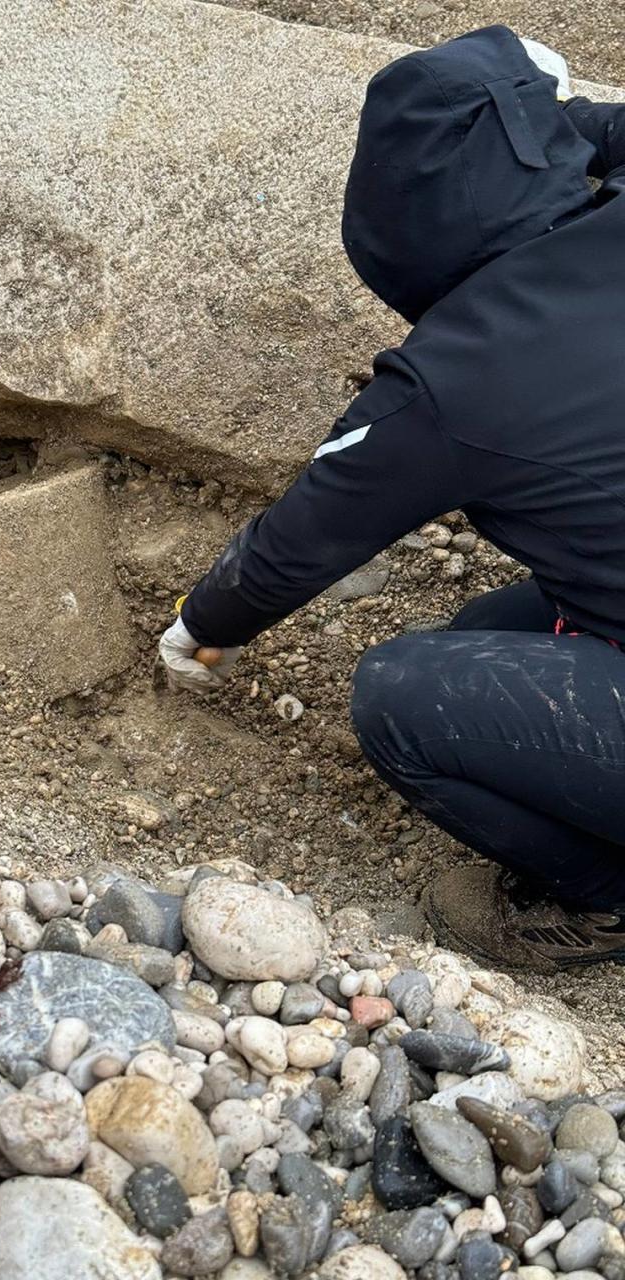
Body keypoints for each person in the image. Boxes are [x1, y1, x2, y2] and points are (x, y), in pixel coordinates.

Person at [158, 25, 625, 974]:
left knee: (402, 698)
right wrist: (545, 119)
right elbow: (593, 134)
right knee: (483, 634)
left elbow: (295, 543)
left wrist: (199, 625)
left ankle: (611, 900)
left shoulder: (457, 374)